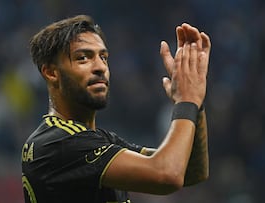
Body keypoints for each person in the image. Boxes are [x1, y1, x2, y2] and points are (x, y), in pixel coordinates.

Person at [21, 14, 211, 203]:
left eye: (103, 58)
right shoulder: (57, 144)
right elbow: (167, 174)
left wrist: (195, 103)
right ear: (51, 72)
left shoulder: (97, 141)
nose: (100, 67)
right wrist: (187, 100)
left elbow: (191, 172)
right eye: (83, 58)